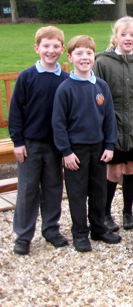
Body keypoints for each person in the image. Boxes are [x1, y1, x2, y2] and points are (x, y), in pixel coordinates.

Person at [52, 35, 120, 252]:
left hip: (99, 148)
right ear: (70, 57)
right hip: (76, 151)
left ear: (94, 56)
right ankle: (80, 233)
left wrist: (110, 146)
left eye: (89, 53)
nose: (84, 57)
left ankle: (98, 228)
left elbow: (109, 118)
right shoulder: (65, 89)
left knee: (98, 190)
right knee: (77, 193)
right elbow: (59, 124)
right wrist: (66, 152)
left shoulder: (101, 86)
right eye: (79, 53)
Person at [9, 26, 70, 255]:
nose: (51, 50)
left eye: (55, 46)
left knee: (53, 187)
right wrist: (17, 142)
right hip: (30, 144)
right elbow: (16, 111)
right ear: (37, 48)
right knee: (27, 189)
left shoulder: (65, 80)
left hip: (55, 145)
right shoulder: (27, 77)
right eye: (46, 46)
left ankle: (51, 229)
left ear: (62, 50)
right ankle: (23, 235)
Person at [93, 16, 133, 232]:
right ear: (115, 36)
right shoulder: (102, 62)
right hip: (112, 122)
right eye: (123, 34)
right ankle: (106, 213)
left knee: (130, 168)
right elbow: (96, 95)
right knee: (113, 172)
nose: (128, 38)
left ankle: (127, 212)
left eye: (132, 35)